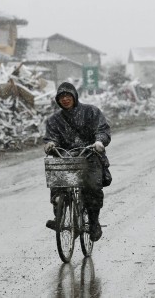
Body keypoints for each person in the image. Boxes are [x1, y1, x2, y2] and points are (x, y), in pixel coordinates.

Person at [43, 82, 111, 242]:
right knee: (58, 186)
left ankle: (93, 223)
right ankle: (59, 215)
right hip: (65, 157)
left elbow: (102, 130)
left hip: (89, 155)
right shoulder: (54, 120)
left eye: (68, 96)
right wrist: (50, 144)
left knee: (92, 190)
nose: (65, 99)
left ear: (74, 96)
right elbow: (50, 137)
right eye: (61, 97)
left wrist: (99, 142)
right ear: (57, 100)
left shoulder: (91, 112)